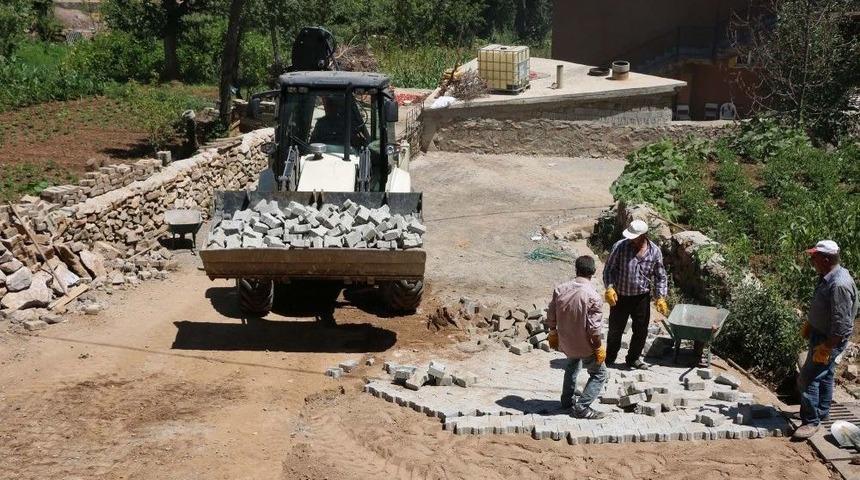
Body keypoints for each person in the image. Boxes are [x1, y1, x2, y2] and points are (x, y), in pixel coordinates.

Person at [793, 240, 858, 440]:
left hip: (829, 339)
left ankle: (811, 421)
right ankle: (821, 411)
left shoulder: (839, 284)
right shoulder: (829, 276)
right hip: (821, 333)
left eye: (815, 256)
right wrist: (812, 323)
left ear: (826, 258)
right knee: (826, 374)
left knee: (808, 377)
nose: (812, 260)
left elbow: (842, 323)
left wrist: (828, 346)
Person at [546, 255, 608, 420]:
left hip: (566, 342)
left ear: (576, 269)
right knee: (600, 374)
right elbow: (594, 330)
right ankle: (582, 407)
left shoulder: (560, 289)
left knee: (572, 364)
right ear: (593, 272)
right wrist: (598, 347)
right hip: (585, 345)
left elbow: (551, 313)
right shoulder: (593, 296)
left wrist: (553, 332)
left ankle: (566, 401)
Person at [602, 219, 669, 370]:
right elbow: (609, 270)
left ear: (644, 235)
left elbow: (660, 276)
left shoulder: (655, 252)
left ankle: (633, 359)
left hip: (641, 297)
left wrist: (661, 297)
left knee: (641, 330)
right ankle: (610, 357)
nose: (631, 240)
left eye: (635, 238)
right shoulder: (620, 247)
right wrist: (609, 287)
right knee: (615, 329)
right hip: (620, 296)